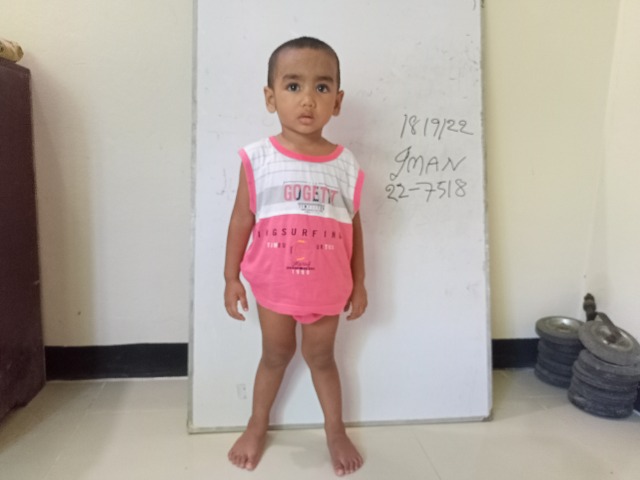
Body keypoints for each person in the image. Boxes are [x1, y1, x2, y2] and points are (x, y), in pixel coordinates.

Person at [223, 36, 367, 477]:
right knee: (275, 355)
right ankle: (256, 424)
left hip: (327, 288)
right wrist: (230, 278)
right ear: (270, 97)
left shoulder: (346, 165)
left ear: (337, 101)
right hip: (274, 286)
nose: (308, 99)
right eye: (293, 86)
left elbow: (353, 228)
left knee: (322, 359)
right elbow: (240, 220)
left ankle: (335, 430)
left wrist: (360, 283)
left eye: (322, 87)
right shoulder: (258, 158)